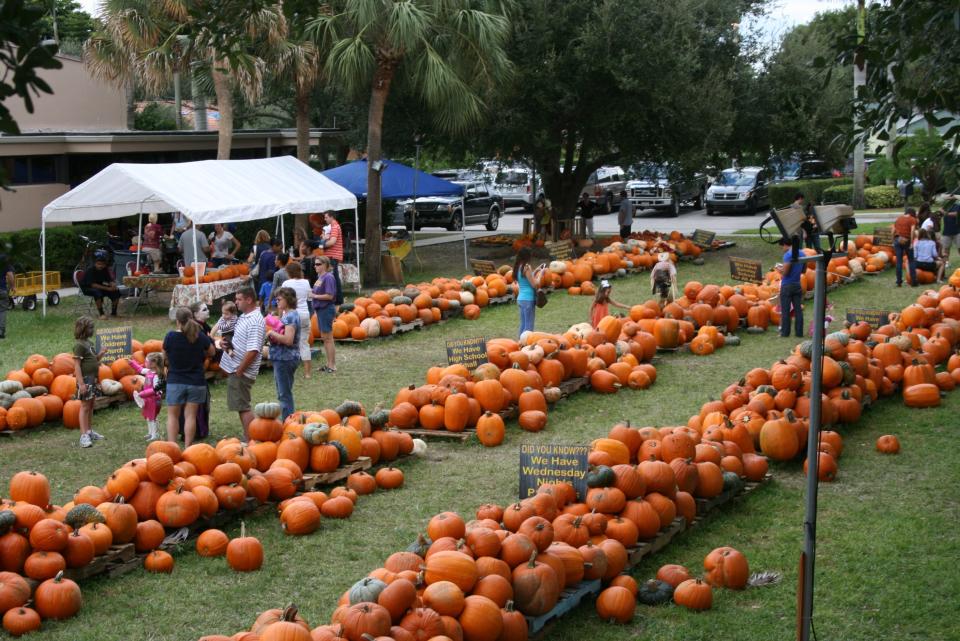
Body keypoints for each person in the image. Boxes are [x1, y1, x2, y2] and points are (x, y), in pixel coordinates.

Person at [164, 307, 214, 448]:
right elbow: (212, 351)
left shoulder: (170, 337)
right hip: (196, 382)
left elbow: (165, 356)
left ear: (177, 321)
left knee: (173, 416)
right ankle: (188, 447)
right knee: (190, 416)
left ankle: (172, 447)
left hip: (175, 381)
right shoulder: (200, 336)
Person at [219, 286, 265, 439]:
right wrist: (227, 344)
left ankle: (251, 439)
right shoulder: (245, 316)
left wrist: (239, 371)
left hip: (242, 371)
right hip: (236, 368)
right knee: (240, 406)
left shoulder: (255, 321)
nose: (236, 303)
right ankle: (250, 437)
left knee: (243, 407)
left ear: (249, 300)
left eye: (239, 299)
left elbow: (253, 350)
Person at [72, 316, 107, 448]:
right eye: (90, 328)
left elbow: (95, 360)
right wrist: (81, 384)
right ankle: (83, 435)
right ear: (83, 329)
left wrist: (101, 354)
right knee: (85, 407)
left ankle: (89, 431)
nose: (93, 330)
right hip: (85, 380)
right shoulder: (79, 346)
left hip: (93, 379)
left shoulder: (89, 344)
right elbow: (77, 366)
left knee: (91, 405)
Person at [268, 287, 301, 419]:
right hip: (282, 358)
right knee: (284, 392)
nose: (277, 302)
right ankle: (288, 420)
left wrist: (271, 333)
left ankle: (287, 422)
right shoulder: (287, 314)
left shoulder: (291, 316)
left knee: (284, 394)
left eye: (279, 299)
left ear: (288, 299)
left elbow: (288, 340)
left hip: (285, 358)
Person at [282, 261, 314, 379]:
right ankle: (307, 373)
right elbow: (310, 298)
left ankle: (289, 371)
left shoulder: (286, 283)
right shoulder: (306, 282)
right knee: (304, 343)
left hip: (291, 314)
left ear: (289, 272)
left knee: (288, 343)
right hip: (304, 314)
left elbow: (283, 300)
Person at [310, 256, 337, 373]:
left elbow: (330, 295)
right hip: (321, 310)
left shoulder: (328, 277)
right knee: (325, 338)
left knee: (328, 338)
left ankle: (332, 365)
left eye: (318, 264)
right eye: (315, 264)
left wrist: (315, 296)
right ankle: (328, 363)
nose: (315, 266)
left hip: (326, 309)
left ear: (325, 265)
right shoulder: (319, 277)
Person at [131, 352, 165, 441]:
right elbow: (140, 370)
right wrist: (132, 363)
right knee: (148, 417)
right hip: (148, 399)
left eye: (147, 361)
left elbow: (155, 390)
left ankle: (155, 435)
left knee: (152, 418)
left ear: (154, 364)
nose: (145, 363)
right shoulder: (148, 371)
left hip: (154, 400)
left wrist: (142, 394)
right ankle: (150, 433)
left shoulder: (157, 376)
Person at [80, 251, 121, 320]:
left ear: (105, 264)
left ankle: (114, 312)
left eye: (102, 264)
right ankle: (101, 314)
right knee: (97, 292)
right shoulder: (90, 270)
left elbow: (109, 280)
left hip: (99, 286)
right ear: (95, 263)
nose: (100, 266)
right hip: (87, 288)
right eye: (98, 264)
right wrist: (108, 289)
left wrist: (112, 284)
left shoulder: (104, 269)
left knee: (116, 291)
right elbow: (93, 285)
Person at [778, 237, 804, 338]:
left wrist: (780, 270)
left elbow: (786, 273)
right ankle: (799, 333)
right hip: (797, 284)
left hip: (787, 285)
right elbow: (804, 270)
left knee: (785, 310)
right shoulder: (802, 253)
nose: (782, 249)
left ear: (785, 244)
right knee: (798, 310)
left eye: (781, 247)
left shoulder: (788, 255)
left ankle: (785, 333)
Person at [514, 246, 540, 338]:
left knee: (523, 324)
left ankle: (520, 344)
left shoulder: (518, 267)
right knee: (529, 326)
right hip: (528, 299)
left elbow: (526, 279)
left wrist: (536, 270)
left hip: (521, 299)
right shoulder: (527, 267)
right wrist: (540, 276)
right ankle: (525, 345)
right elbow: (534, 284)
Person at [322, 211, 344, 305]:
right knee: (334, 278)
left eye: (326, 217)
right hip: (331, 256)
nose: (325, 219)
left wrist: (321, 245)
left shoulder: (335, 227)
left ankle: (337, 300)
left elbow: (332, 242)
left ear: (331, 217)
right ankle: (337, 300)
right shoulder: (331, 227)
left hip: (332, 256)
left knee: (333, 278)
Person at [893, 207, 918, 287]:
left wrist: (892, 240)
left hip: (897, 239)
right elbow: (912, 231)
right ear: (912, 213)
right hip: (906, 240)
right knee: (911, 260)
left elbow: (893, 230)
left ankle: (899, 282)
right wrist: (911, 242)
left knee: (899, 261)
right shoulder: (912, 219)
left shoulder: (899, 218)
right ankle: (914, 281)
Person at [257, 238, 281, 307]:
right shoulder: (273, 257)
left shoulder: (263, 254)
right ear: (274, 246)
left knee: (262, 301)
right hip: (270, 283)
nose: (280, 250)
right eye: (280, 247)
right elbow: (273, 272)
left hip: (262, 281)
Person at [941, 198, 959, 262]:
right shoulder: (944, 207)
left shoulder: (957, 206)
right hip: (946, 231)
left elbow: (957, 214)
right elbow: (940, 213)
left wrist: (946, 213)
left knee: (959, 248)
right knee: (946, 248)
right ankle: (946, 262)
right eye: (947, 200)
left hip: (957, 231)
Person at [0, 253, 13, 339]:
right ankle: (1, 331)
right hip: (1, 289)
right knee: (2, 310)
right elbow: (10, 275)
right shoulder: (3, 258)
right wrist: (12, 286)